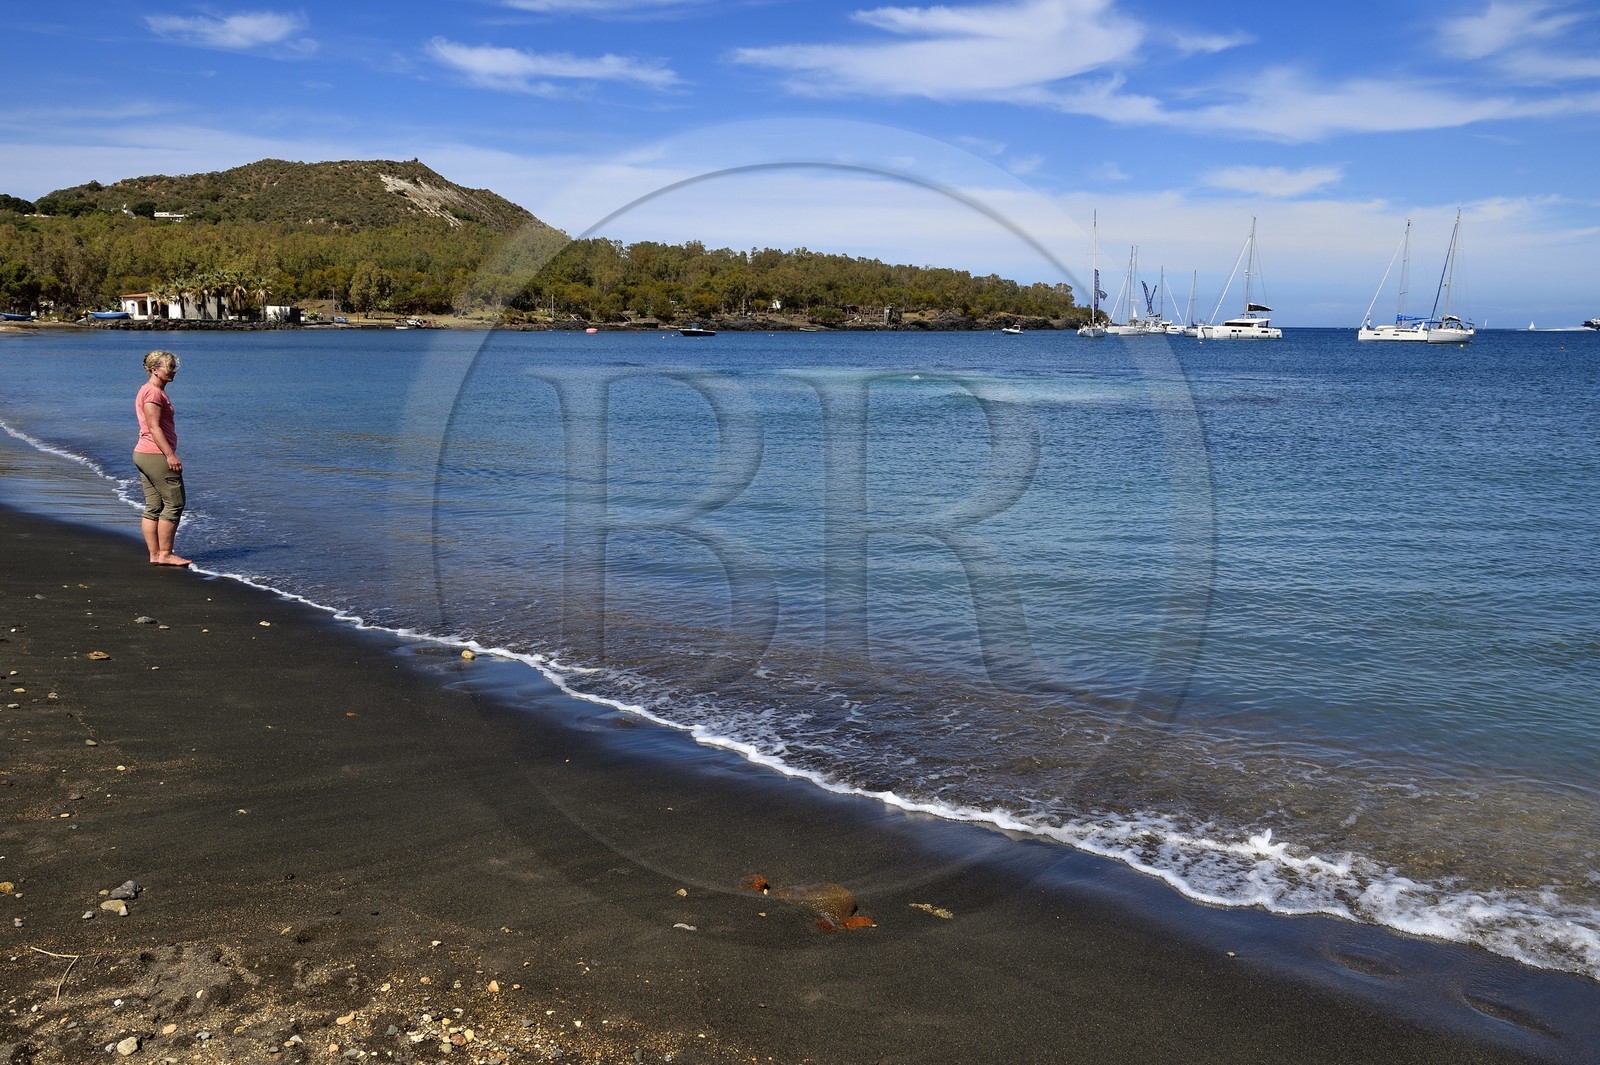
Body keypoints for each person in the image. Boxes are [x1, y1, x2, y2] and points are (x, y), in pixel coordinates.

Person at [133, 349, 191, 566]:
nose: (174, 371)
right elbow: (154, 427)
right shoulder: (153, 393)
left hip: (145, 453)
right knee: (175, 503)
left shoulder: (149, 390)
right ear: (155, 369)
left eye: (175, 367)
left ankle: (156, 554)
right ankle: (165, 554)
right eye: (170, 367)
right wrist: (170, 454)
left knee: (154, 506)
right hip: (155, 455)